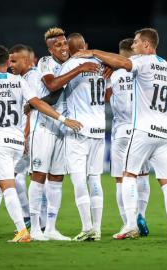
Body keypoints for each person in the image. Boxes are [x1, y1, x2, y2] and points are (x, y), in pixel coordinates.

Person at [75, 28, 167, 240]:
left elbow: (125, 64)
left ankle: (130, 225)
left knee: (128, 175)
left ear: (146, 45)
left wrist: (94, 52)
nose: (133, 47)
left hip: (142, 129)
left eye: (135, 42)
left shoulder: (142, 62)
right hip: (166, 132)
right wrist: (158, 111)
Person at [0, 45, 82, 242]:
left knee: (7, 185)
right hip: (18, 141)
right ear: (7, 62)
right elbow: (38, 104)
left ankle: (22, 229)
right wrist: (63, 120)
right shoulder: (19, 81)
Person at [27, 27, 99, 241]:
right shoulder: (45, 64)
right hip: (44, 126)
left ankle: (50, 228)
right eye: (57, 45)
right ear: (50, 49)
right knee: (39, 176)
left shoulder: (71, 64)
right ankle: (34, 230)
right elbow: (52, 85)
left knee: (57, 178)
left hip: (65, 128)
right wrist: (80, 68)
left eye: (65, 43)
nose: (64, 47)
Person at [59, 33, 107, 241]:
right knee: (94, 178)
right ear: (86, 45)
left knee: (78, 176)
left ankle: (87, 226)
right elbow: (108, 92)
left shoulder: (69, 65)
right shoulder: (101, 63)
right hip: (99, 128)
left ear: (69, 49)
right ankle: (96, 229)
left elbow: (54, 88)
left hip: (79, 128)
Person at [105, 38, 151, 237]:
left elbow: (104, 98)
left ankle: (127, 222)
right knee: (141, 176)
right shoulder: (145, 73)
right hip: (142, 131)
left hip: (121, 131)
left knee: (120, 179)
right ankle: (141, 214)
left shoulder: (113, 75)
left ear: (119, 54)